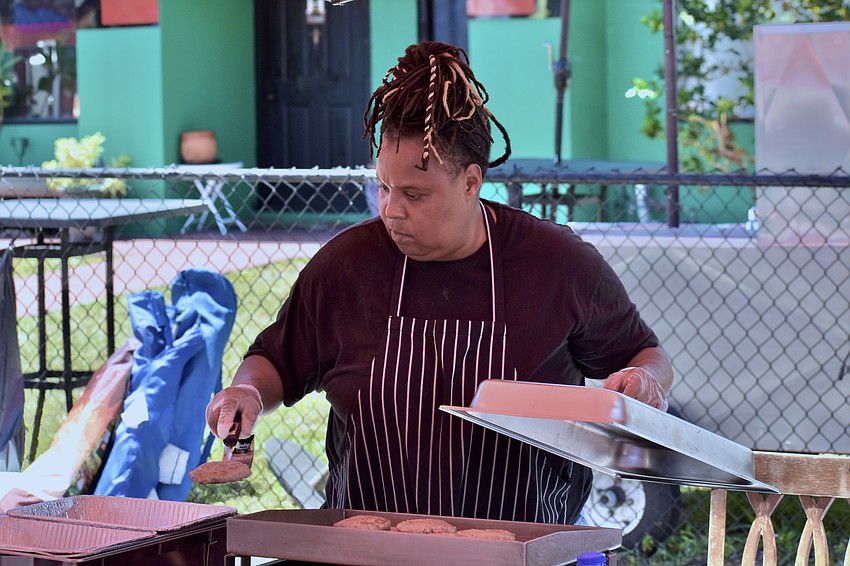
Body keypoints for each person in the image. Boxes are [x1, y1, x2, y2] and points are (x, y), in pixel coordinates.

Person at [206, 40, 673, 526]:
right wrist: (247, 393)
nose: (390, 209)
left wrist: (645, 384)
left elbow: (645, 356)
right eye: (383, 187)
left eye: (414, 193)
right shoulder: (346, 267)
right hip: (367, 548)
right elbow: (276, 361)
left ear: (471, 182)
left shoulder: (558, 265)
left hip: (524, 549)